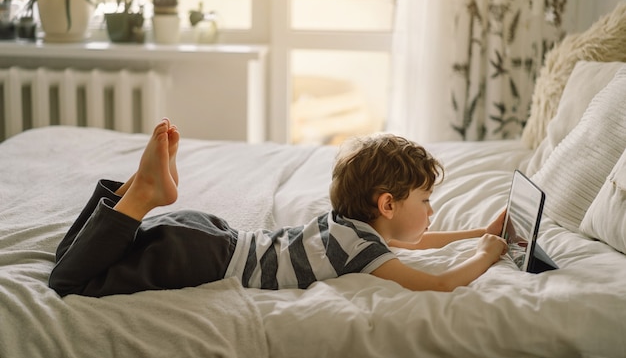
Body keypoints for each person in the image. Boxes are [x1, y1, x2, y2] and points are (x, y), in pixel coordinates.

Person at [49, 118, 507, 297]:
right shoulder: (365, 251)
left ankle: (136, 191)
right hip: (202, 257)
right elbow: (440, 282)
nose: (431, 211)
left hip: (205, 235)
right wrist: (486, 255)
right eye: (425, 201)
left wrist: (475, 233)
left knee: (72, 261)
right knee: (69, 281)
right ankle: (142, 193)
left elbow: (418, 240)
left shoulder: (353, 227)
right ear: (386, 204)